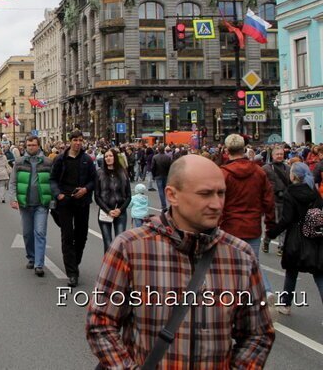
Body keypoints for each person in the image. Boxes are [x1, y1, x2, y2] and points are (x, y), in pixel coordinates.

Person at [87, 155, 275, 368]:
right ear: (172, 195)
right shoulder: (130, 248)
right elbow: (100, 323)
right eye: (205, 194)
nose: (216, 204)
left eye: (221, 193)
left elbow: (258, 334)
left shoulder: (240, 256)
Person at [220, 134, 277, 301]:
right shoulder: (259, 172)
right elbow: (269, 201)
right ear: (244, 149)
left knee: (229, 265)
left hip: (229, 226)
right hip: (252, 225)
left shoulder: (224, 174)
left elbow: (218, 202)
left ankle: (234, 300)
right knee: (253, 261)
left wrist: (215, 224)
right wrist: (270, 225)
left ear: (226, 150)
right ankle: (265, 291)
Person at [266, 162, 323, 315]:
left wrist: (271, 233)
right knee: (318, 272)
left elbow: (286, 219)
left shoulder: (290, 193)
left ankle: (285, 304)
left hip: (296, 237)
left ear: (294, 176)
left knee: (291, 271)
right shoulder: (314, 191)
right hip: (314, 235)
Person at [50, 131, 97, 287]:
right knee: (67, 236)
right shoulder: (60, 159)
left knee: (82, 235)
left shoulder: (87, 160)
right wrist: (59, 195)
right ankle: (72, 273)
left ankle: (74, 261)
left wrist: (85, 189)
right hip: (65, 202)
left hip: (82, 201)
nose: (78, 143)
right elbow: (53, 180)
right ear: (69, 142)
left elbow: (93, 180)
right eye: (75, 140)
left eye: (80, 140)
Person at [7, 135, 54, 277]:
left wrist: (52, 200)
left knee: (40, 232)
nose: (31, 147)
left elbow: (53, 182)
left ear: (38, 146)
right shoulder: (20, 162)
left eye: (33, 145)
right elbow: (13, 182)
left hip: (41, 204)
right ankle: (31, 258)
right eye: (28, 145)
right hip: (25, 203)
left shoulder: (47, 162)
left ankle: (39, 265)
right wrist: (13, 198)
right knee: (27, 234)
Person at [94, 148, 131, 253]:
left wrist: (120, 209)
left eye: (110, 156)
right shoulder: (99, 173)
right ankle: (108, 268)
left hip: (120, 212)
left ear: (115, 157)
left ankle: (118, 268)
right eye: (106, 156)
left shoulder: (123, 172)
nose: (108, 158)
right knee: (108, 244)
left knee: (119, 243)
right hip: (105, 212)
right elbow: (97, 196)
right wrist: (108, 210)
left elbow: (129, 196)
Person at [262, 146, 290, 256]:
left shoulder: (287, 168)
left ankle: (281, 246)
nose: (279, 156)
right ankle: (266, 241)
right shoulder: (266, 168)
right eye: (277, 154)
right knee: (273, 224)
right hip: (272, 201)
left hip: (285, 200)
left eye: (281, 154)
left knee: (283, 223)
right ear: (272, 155)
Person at [150, 146, 172, 210]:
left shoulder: (155, 157)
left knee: (160, 190)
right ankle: (166, 203)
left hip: (158, 175)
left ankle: (163, 205)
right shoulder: (168, 157)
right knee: (165, 190)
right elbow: (170, 166)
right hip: (165, 174)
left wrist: (153, 176)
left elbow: (153, 167)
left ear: (158, 150)